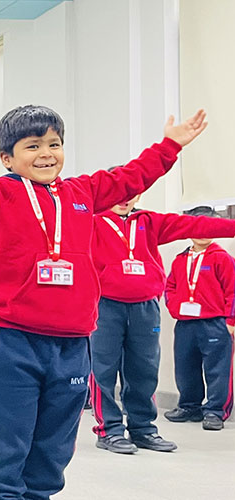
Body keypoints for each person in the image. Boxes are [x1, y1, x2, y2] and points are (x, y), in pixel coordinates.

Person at [0, 103, 208, 499]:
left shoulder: (83, 192)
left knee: (56, 441)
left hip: (72, 344)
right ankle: (1, 494)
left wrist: (169, 146)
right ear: (7, 158)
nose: (46, 154)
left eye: (54, 144)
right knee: (8, 435)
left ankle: (40, 494)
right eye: (32, 146)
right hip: (15, 340)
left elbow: (131, 176)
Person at [89, 189, 235, 453]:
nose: (124, 198)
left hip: (145, 306)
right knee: (103, 369)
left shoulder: (148, 221)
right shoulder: (91, 221)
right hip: (105, 305)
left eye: (131, 193)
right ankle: (109, 430)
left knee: (144, 369)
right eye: (118, 192)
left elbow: (195, 225)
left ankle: (143, 428)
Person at [163, 205, 234, 432]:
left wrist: (230, 321)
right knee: (185, 367)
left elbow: (233, 291)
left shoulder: (222, 258)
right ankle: (189, 406)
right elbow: (170, 287)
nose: (203, 233)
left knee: (217, 369)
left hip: (215, 323)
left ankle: (215, 411)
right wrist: (175, 307)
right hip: (185, 324)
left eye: (210, 227)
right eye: (198, 227)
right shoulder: (180, 259)